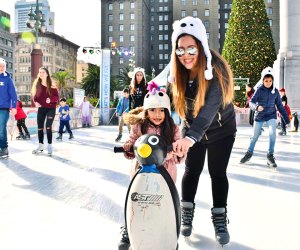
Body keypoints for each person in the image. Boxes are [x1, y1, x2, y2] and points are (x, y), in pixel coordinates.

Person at [168, 16, 236, 245]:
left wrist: (190, 138)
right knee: (192, 170)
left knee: (218, 172)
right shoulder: (178, 72)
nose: (185, 55)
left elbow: (210, 109)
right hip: (193, 128)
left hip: (221, 129)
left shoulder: (216, 69)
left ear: (200, 46)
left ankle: (219, 217)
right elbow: (175, 107)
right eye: (180, 50)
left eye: (190, 48)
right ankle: (186, 214)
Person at [118, 81, 185, 249]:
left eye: (162, 110)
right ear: (146, 111)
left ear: (167, 112)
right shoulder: (139, 126)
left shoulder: (173, 128)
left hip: (166, 173)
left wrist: (174, 151)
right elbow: (133, 142)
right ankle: (128, 227)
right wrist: (128, 147)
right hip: (141, 172)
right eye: (153, 110)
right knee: (137, 200)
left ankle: (167, 229)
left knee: (164, 202)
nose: (157, 114)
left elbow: (179, 149)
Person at [240, 67, 290, 168]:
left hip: (271, 115)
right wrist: (257, 107)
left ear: (273, 81)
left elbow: (280, 106)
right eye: (266, 81)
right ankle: (249, 153)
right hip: (259, 116)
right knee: (255, 136)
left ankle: (270, 155)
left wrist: (287, 119)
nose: (268, 82)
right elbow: (251, 102)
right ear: (263, 80)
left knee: (272, 133)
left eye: (270, 81)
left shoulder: (275, 92)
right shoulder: (259, 90)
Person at [31, 67, 59, 156]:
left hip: (51, 108)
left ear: (47, 74)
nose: (41, 74)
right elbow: (34, 97)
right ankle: (41, 145)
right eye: (40, 72)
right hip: (41, 108)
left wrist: (50, 99)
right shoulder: (37, 84)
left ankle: (49, 145)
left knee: (48, 126)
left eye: (43, 72)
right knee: (40, 127)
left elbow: (57, 98)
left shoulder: (52, 84)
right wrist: (36, 103)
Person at [0, 58, 17, 158]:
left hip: (3, 108)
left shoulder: (7, 79)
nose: (1, 68)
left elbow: (13, 95)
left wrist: (14, 107)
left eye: (3, 66)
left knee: (1, 128)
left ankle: (4, 149)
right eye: (0, 66)